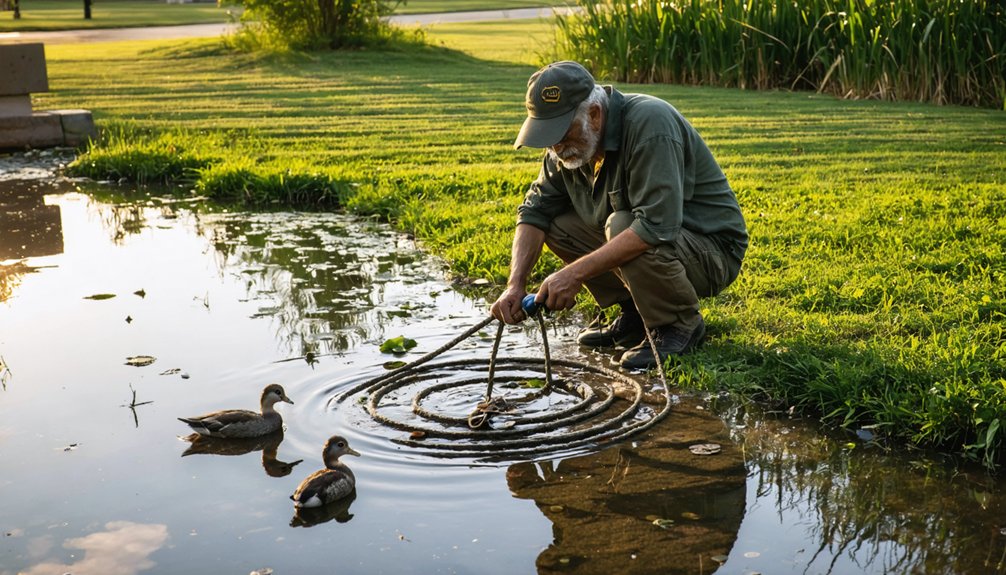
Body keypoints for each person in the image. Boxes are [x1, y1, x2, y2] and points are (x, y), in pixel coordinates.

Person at [490, 61, 748, 370]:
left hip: (712, 251)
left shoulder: (651, 124)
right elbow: (534, 211)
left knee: (623, 225)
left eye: (562, 132)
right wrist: (515, 284)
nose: (556, 146)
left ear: (595, 115)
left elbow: (654, 227)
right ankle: (636, 313)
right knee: (558, 226)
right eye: (548, 134)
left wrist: (573, 274)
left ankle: (678, 324)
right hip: (661, 243)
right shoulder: (568, 148)